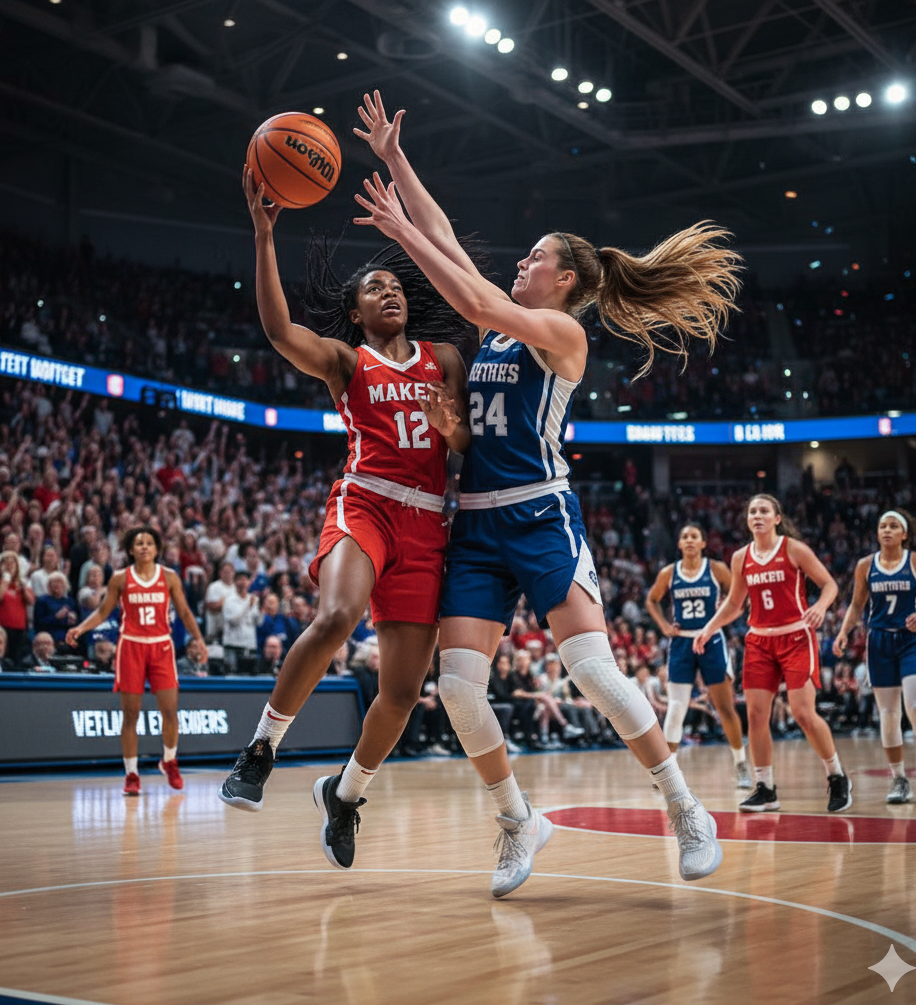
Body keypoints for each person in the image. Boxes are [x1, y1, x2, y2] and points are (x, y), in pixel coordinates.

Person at [354, 89, 736, 893]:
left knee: (594, 670)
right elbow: (454, 245)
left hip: (539, 516)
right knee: (458, 690)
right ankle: (518, 821)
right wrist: (395, 160)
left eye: (533, 259)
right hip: (477, 531)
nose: (519, 265)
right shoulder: (501, 328)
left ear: (564, 280)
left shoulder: (562, 334)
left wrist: (398, 233)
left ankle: (684, 807)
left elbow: (471, 290)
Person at [217, 159, 471, 876]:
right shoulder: (345, 361)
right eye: (373, 289)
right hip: (364, 502)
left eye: (393, 285)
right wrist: (264, 236)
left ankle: (347, 794)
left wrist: (449, 427)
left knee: (402, 692)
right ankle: (262, 747)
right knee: (336, 617)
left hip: (427, 523)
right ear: (357, 313)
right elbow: (277, 331)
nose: (388, 292)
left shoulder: (445, 358)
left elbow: (464, 445)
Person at [694, 494, 852, 813]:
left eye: (764, 510)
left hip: (796, 636)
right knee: (755, 715)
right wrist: (709, 627)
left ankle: (837, 777)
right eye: (752, 511)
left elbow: (830, 585)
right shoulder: (740, 557)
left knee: (803, 713)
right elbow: (735, 604)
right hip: (759, 641)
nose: (758, 515)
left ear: (777, 518)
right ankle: (765, 788)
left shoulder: (794, 549)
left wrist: (820, 606)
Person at [66, 527, 207, 797]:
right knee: (130, 715)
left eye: (150, 543)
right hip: (130, 646)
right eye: (139, 543)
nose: (144, 547)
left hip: (161, 646)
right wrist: (81, 629)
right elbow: (103, 611)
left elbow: (186, 612)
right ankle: (131, 774)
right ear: (131, 549)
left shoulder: (169, 577)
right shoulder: (120, 578)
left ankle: (169, 760)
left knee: (170, 711)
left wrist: (199, 640)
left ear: (156, 549)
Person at [833, 510, 916, 802]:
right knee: (889, 715)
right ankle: (899, 780)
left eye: (894, 526)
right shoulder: (865, 565)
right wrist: (844, 632)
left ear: (904, 534)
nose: (887, 530)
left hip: (911, 641)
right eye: (883, 526)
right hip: (879, 641)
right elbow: (856, 605)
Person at [645, 523, 751, 788]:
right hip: (681, 643)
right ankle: (668, 773)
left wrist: (725, 614)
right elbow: (651, 600)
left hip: (711, 640)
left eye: (694, 536)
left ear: (704, 543)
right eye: (684, 537)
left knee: (725, 707)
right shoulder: (669, 573)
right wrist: (664, 626)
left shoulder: (717, 569)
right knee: (677, 707)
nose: (689, 540)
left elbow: (741, 596)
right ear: (679, 544)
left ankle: (740, 764)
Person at [0, 551, 33, 664]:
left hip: (19, 629)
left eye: (12, 563)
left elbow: (30, 601)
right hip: (0, 628)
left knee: (16, 660)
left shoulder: (21, 584)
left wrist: (23, 588)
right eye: (6, 563)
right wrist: (5, 580)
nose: (9, 566)